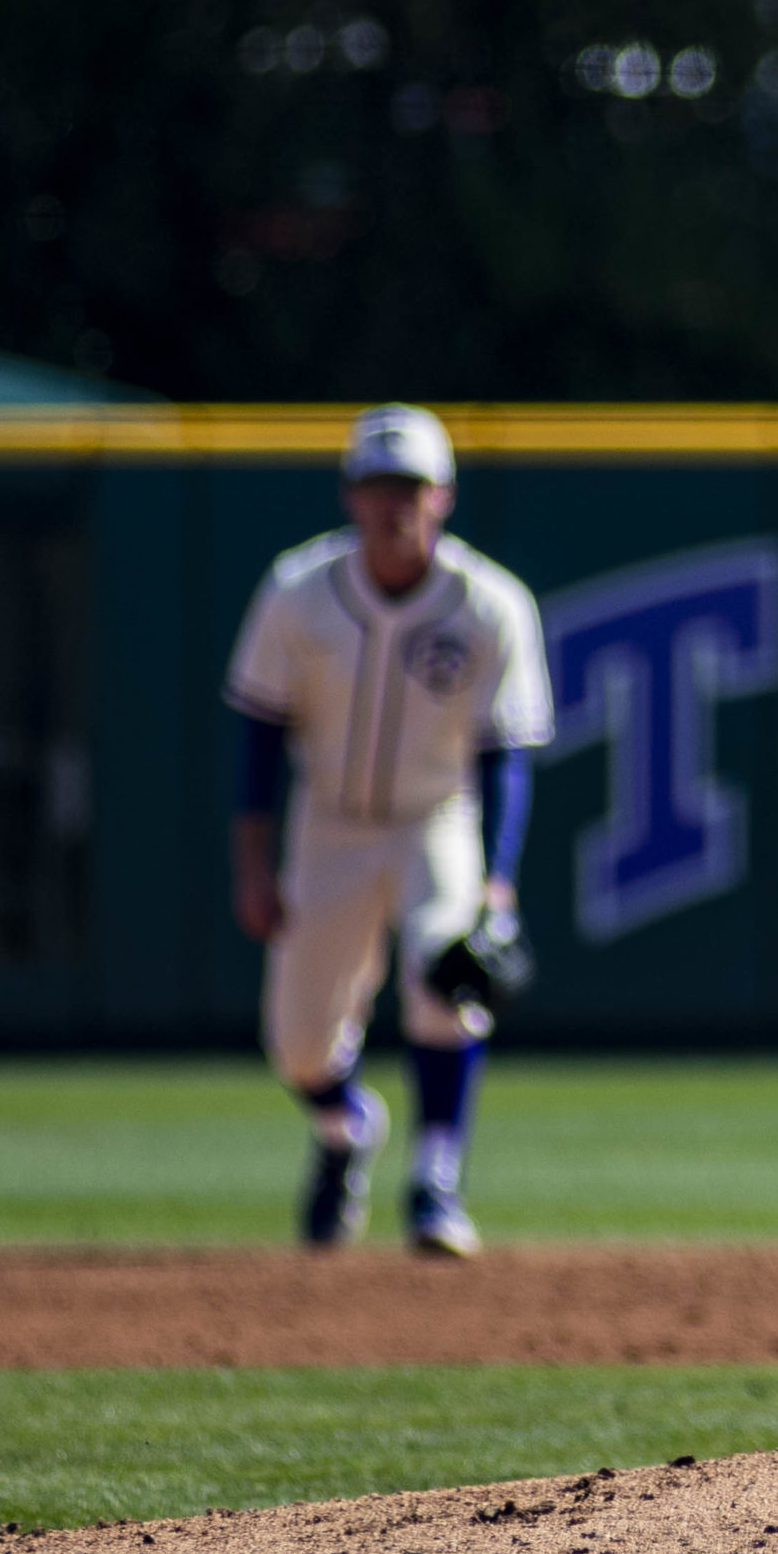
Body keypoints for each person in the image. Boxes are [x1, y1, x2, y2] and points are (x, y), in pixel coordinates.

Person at [225, 404, 553, 1255]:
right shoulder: (297, 591)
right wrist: (253, 863)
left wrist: (497, 882)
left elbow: (505, 751)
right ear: (349, 494)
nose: (393, 504)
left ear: (442, 495)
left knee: (450, 977)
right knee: (299, 1045)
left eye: (409, 486)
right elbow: (258, 730)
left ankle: (435, 1179)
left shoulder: (490, 604)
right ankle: (346, 1128)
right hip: (328, 819)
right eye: (378, 486)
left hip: (435, 817)